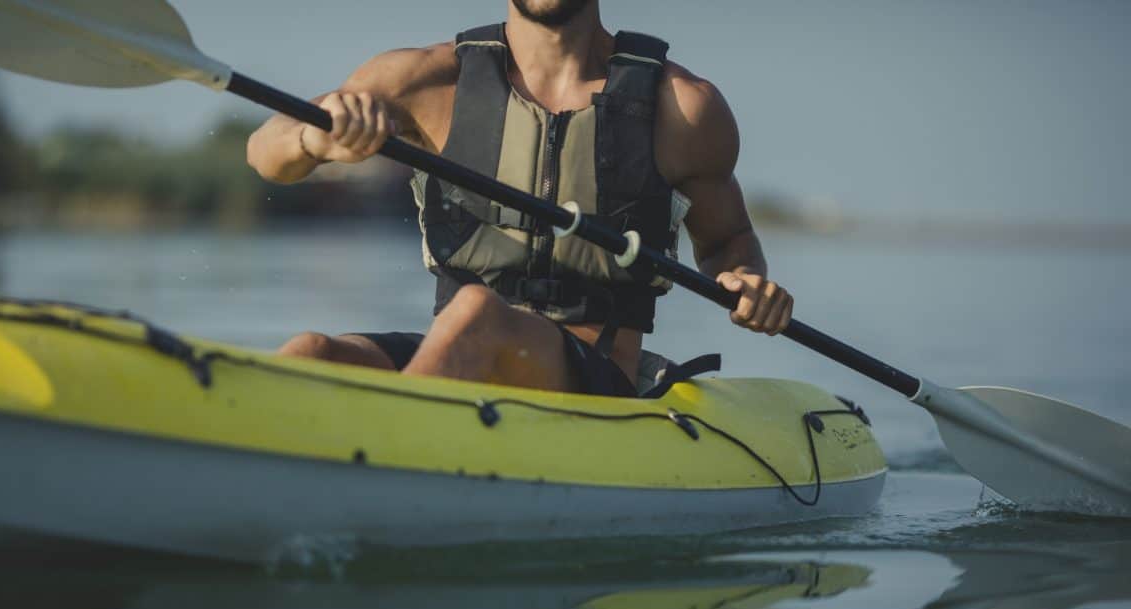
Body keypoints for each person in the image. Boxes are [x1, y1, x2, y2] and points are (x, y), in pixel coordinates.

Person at [247, 0, 793, 397]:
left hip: (597, 376)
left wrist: (746, 281)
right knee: (311, 352)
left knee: (477, 314)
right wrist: (311, 138)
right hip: (459, 352)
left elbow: (729, 242)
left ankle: (385, 457)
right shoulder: (425, 79)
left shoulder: (684, 108)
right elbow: (265, 152)